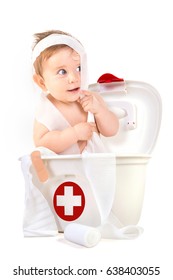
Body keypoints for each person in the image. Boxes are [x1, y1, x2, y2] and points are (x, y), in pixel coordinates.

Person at [32, 30, 119, 155]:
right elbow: (41, 142)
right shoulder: (47, 108)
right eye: (62, 72)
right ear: (42, 82)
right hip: (63, 172)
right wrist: (74, 134)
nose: (74, 78)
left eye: (79, 68)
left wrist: (100, 111)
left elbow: (111, 131)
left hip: (96, 168)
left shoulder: (92, 99)